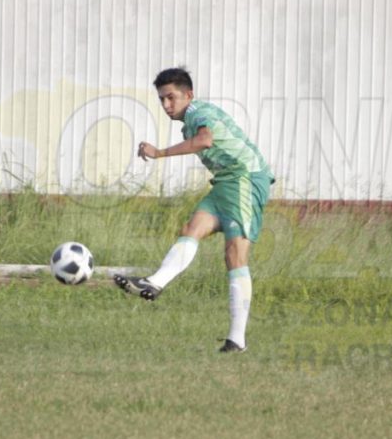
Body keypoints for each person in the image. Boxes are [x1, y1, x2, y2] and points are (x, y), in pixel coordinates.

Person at [115, 67, 275, 353]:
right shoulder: (190, 118)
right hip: (226, 182)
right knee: (191, 230)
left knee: (235, 256)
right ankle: (154, 283)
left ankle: (237, 340)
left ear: (188, 95)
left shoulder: (198, 113)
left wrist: (160, 152)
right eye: (162, 99)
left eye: (171, 98)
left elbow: (205, 140)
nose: (166, 106)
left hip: (245, 179)